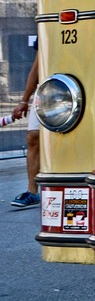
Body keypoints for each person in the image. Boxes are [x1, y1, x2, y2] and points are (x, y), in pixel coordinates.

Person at [9, 55, 39, 209]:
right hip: (50, 88)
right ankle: (32, 192)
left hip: (83, 84)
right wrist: (24, 101)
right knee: (33, 136)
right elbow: (37, 65)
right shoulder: (46, 31)